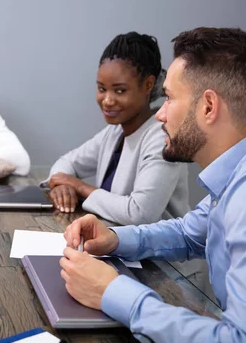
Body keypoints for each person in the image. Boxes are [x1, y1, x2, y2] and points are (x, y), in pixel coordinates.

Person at [60, 27, 246, 343]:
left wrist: (114, 293)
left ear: (208, 107)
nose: (160, 113)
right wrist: (114, 239)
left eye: (170, 98)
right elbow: (190, 232)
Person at [47, 32, 189, 224]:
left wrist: (79, 187)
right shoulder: (115, 132)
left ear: (148, 85)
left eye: (120, 90)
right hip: (113, 244)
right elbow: (66, 163)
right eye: (101, 88)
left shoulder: (163, 136)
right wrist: (62, 187)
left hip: (155, 253)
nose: (107, 100)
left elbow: (139, 213)